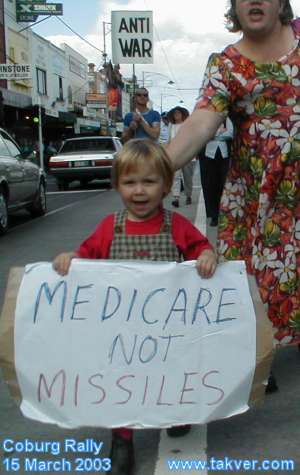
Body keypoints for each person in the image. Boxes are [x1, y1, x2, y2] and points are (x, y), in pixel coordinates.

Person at [53, 139, 217, 475]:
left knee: (171, 374)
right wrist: (71, 259)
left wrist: (206, 255)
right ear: (117, 186)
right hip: (121, 333)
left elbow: (200, 247)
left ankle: (175, 414)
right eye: (129, 182)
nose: (139, 191)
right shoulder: (108, 228)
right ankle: (122, 440)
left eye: (149, 181)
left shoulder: (176, 226)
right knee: (121, 383)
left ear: (166, 185)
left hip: (167, 329)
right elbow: (85, 256)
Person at [166, 0, 300, 382]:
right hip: (256, 195)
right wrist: (160, 165)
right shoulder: (224, 64)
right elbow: (202, 122)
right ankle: (261, 348)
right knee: (253, 277)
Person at [198, 118, 233, 226]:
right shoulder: (205, 119)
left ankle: (226, 214)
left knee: (225, 186)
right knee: (210, 186)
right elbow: (204, 134)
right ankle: (214, 215)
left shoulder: (227, 118)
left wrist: (214, 135)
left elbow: (230, 133)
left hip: (224, 156)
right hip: (208, 155)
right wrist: (219, 133)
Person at [168, 106, 195, 207]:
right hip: (175, 154)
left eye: (178, 113)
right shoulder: (171, 126)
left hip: (187, 154)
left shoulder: (187, 125)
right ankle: (176, 197)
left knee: (187, 176)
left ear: (182, 115)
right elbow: (169, 140)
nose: (177, 115)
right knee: (175, 176)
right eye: (175, 114)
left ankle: (188, 195)